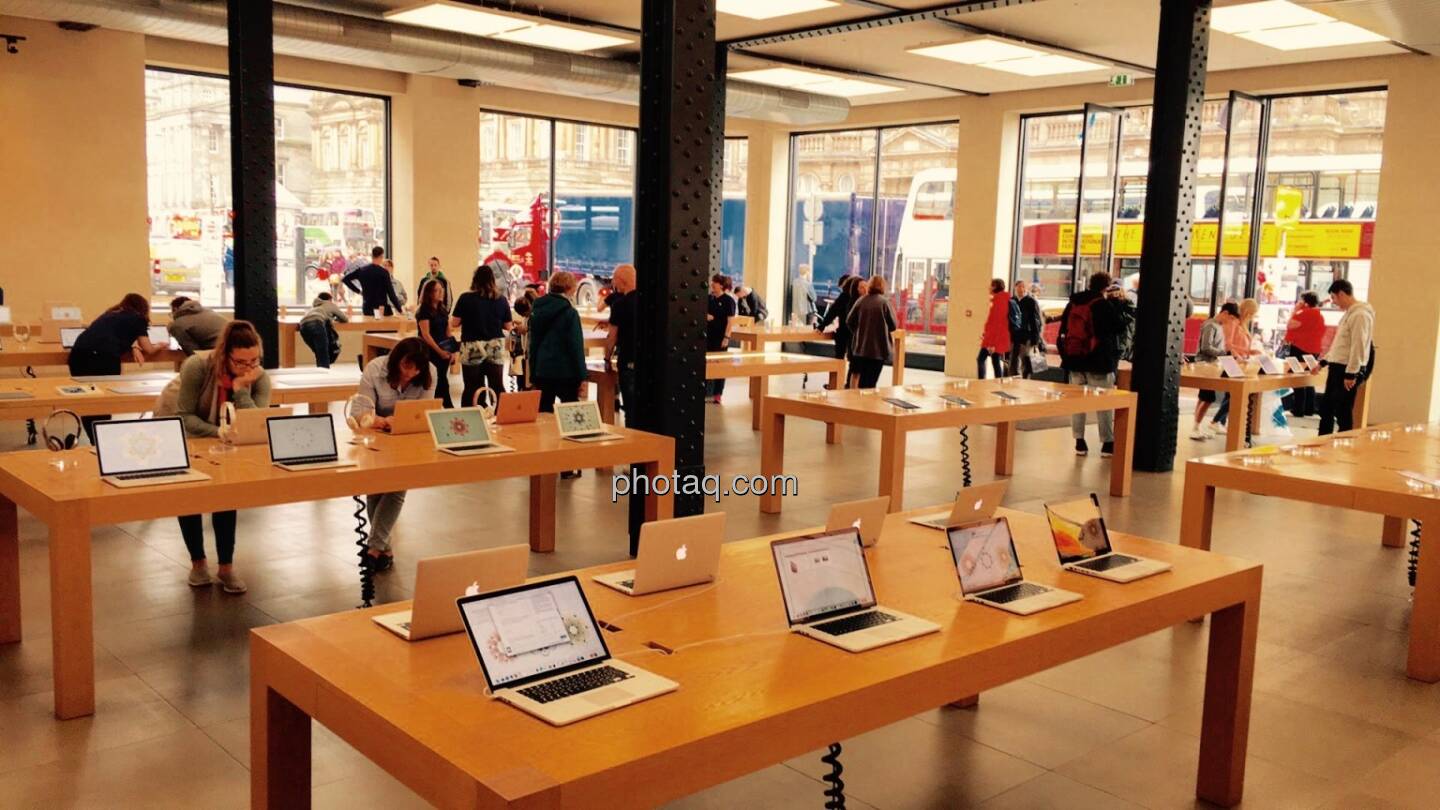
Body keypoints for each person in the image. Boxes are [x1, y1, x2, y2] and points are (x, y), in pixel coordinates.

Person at [174, 320, 271, 594]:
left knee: (227, 497)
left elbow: (255, 421)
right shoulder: (198, 367)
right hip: (192, 437)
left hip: (229, 445)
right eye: (240, 362)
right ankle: (198, 563)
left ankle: (226, 567)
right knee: (190, 496)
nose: (249, 367)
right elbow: (183, 416)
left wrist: (241, 387)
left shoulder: (258, 377)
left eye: (254, 360)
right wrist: (219, 431)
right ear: (224, 354)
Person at [353, 337, 434, 571]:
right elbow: (360, 413)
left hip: (408, 439)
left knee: (397, 487)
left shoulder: (430, 373)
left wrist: (402, 422)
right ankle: (382, 549)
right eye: (407, 366)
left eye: (417, 369)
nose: (412, 373)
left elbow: (425, 412)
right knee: (376, 489)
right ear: (397, 360)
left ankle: (375, 548)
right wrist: (381, 421)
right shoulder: (375, 370)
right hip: (375, 437)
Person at [68, 293, 168, 441]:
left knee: (88, 401)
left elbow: (111, 335)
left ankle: (94, 440)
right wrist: (160, 345)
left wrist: (132, 346)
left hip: (77, 355)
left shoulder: (110, 314)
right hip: (102, 358)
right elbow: (149, 349)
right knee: (105, 401)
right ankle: (101, 441)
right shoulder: (138, 318)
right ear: (143, 308)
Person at [1057, 272, 1125, 457]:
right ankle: (1107, 444)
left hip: (1075, 360)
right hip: (1099, 361)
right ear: (1106, 287)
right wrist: (1116, 304)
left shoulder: (1073, 302)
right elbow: (1118, 326)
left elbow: (1063, 328)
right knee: (1104, 402)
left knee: (1078, 402)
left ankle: (1079, 442)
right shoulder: (1103, 305)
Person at [1318, 279, 1375, 436]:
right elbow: (1340, 344)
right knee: (1327, 407)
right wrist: (1323, 362)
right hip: (1337, 366)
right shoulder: (1349, 314)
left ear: (1342, 294)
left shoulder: (1360, 315)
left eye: (1334, 298)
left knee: (1342, 410)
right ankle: (1323, 441)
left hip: (1346, 368)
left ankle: (1345, 443)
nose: (1334, 303)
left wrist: (1351, 373)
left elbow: (1359, 345)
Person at [451, 265, 513, 409]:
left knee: (472, 386)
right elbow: (508, 326)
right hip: (495, 346)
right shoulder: (501, 300)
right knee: (497, 384)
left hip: (472, 346)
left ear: (475, 280)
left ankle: (472, 417)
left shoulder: (465, 298)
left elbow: (455, 323)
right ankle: (501, 415)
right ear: (492, 280)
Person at [527, 271, 586, 415]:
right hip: (565, 372)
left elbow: (533, 343)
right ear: (569, 288)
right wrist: (582, 376)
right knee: (572, 413)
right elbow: (575, 346)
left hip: (542, 370)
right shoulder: (570, 312)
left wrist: (533, 373)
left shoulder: (537, 308)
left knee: (544, 413)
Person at [1207, 298, 1259, 432]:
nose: (1253, 317)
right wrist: (1247, 352)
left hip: (1240, 361)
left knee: (1230, 394)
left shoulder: (1243, 325)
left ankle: (1220, 422)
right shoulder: (1233, 322)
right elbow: (1228, 344)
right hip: (1233, 361)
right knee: (1236, 395)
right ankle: (1216, 420)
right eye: (1253, 314)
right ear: (1248, 312)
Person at [1190, 302, 1238, 440]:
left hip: (1210, 366)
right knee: (1207, 398)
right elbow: (1206, 347)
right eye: (1231, 318)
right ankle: (1195, 427)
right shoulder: (1211, 325)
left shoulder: (1217, 326)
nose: (1231, 322)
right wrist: (1224, 353)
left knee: (1204, 397)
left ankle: (1196, 427)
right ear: (1225, 313)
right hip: (1206, 366)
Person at [846, 276, 899, 389]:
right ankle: (866, 404)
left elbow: (849, 321)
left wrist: (859, 332)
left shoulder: (861, 301)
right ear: (882, 286)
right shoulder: (884, 303)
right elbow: (893, 325)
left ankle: (858, 403)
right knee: (871, 382)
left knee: (862, 380)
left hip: (861, 348)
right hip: (878, 350)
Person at [603, 264, 639, 421]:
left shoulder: (619, 305)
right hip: (650, 363)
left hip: (628, 361)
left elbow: (612, 337)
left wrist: (607, 358)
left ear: (620, 281)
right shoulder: (651, 302)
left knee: (631, 408)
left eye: (614, 281)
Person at [1283, 291, 1325, 417]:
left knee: (1297, 377)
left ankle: (1298, 408)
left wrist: (1295, 310)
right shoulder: (1319, 315)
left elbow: (1290, 325)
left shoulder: (1303, 313)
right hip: (1314, 349)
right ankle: (1309, 407)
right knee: (1308, 377)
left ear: (1304, 302)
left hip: (1300, 347)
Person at [415, 278, 454, 408]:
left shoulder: (442, 310)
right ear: (429, 293)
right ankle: (443, 406)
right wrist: (439, 351)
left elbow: (448, 331)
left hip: (443, 348)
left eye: (441, 290)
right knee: (436, 380)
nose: (440, 293)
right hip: (431, 350)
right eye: (437, 290)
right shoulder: (423, 311)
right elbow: (426, 334)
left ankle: (444, 406)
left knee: (443, 379)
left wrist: (451, 351)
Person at [819, 275, 858, 387]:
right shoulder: (859, 298)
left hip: (843, 332)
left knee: (839, 358)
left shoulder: (844, 296)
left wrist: (822, 326)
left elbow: (833, 311)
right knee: (853, 360)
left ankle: (836, 383)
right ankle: (848, 384)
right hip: (854, 334)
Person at [342, 246, 402, 316]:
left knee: (369, 326)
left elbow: (345, 279)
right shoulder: (384, 273)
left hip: (367, 307)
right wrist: (400, 310)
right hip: (381, 308)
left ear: (372, 256)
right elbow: (391, 294)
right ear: (381, 256)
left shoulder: (362, 270)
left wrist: (358, 291)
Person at [705, 274, 737, 403]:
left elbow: (730, 322)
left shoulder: (729, 301)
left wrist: (726, 337)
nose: (712, 284)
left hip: (720, 337)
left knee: (720, 365)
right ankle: (706, 391)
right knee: (707, 364)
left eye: (715, 282)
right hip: (708, 336)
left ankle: (718, 393)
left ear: (722, 285)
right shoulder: (709, 298)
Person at [298, 292, 348, 368]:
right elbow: (344, 318)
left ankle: (320, 375)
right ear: (329, 299)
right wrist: (335, 318)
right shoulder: (330, 304)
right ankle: (325, 376)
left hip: (303, 326)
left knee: (319, 353)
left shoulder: (313, 308)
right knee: (323, 354)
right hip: (317, 324)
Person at [1007, 279, 1044, 379]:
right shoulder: (1012, 301)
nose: (1021, 289)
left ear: (1026, 289)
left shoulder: (1031, 302)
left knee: (1026, 361)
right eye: (1019, 287)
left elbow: (1036, 321)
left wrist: (1036, 338)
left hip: (1027, 335)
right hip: (1014, 336)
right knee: (1013, 361)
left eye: (1023, 287)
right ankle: (1013, 381)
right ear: (1015, 288)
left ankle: (1025, 380)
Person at [979, 279, 1012, 379]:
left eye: (991, 286)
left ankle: (982, 381)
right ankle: (998, 382)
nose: (989, 288)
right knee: (995, 360)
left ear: (995, 287)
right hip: (996, 337)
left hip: (994, 339)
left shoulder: (999, 301)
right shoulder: (1002, 299)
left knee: (981, 359)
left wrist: (992, 343)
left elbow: (998, 323)